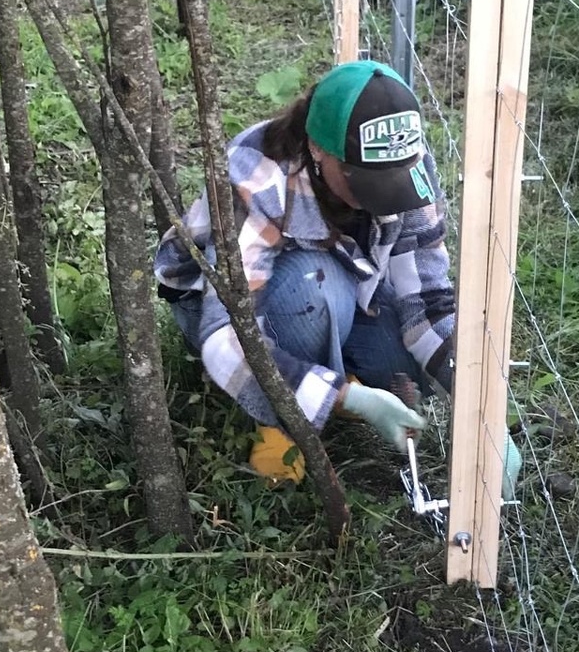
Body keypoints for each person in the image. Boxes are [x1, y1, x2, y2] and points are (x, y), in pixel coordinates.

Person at [154, 59, 520, 494]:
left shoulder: (410, 166)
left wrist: (483, 411)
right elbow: (226, 334)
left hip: (347, 287)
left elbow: (429, 302)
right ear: (317, 149)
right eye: (364, 180)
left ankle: (324, 379)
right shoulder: (257, 175)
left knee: (400, 365)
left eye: (393, 182)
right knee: (315, 284)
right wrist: (349, 399)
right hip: (226, 307)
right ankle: (282, 421)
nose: (382, 199)